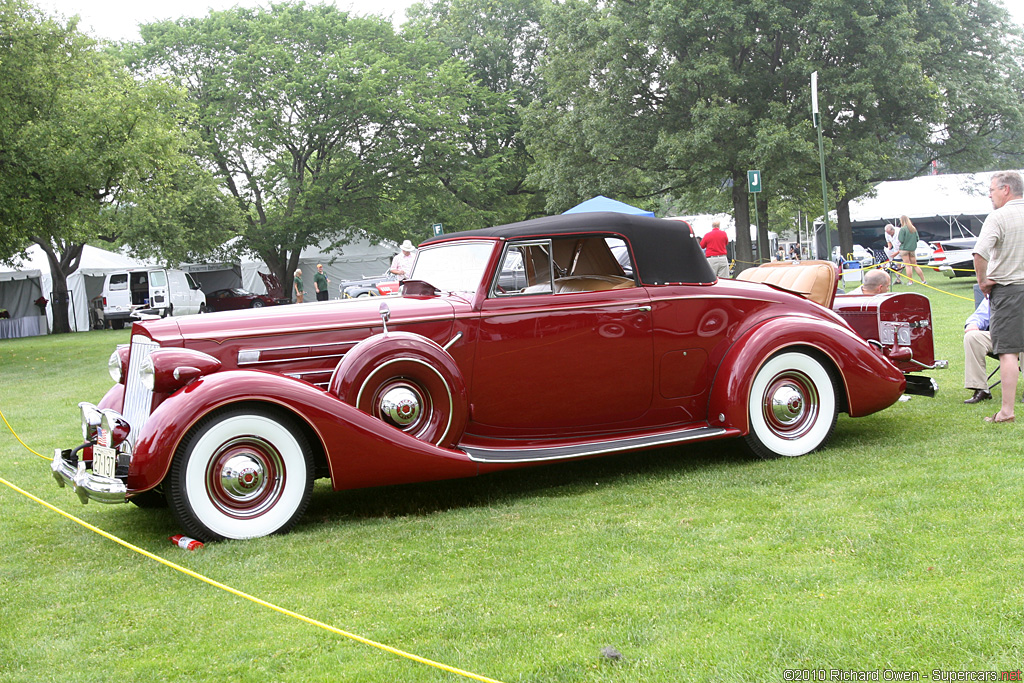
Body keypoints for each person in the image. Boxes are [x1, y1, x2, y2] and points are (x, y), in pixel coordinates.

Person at [973, 170, 1024, 423]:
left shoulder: (998, 217)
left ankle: (1006, 411)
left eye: (991, 190)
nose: (990, 195)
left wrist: (982, 282)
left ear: (1006, 189)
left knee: (1008, 352)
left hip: (1010, 290)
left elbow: (979, 253)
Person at [897, 215, 927, 284]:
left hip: (904, 249)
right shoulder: (913, 228)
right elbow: (917, 239)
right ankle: (923, 280)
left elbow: (901, 239)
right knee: (915, 265)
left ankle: (910, 281)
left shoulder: (902, 229)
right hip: (912, 249)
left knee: (908, 265)